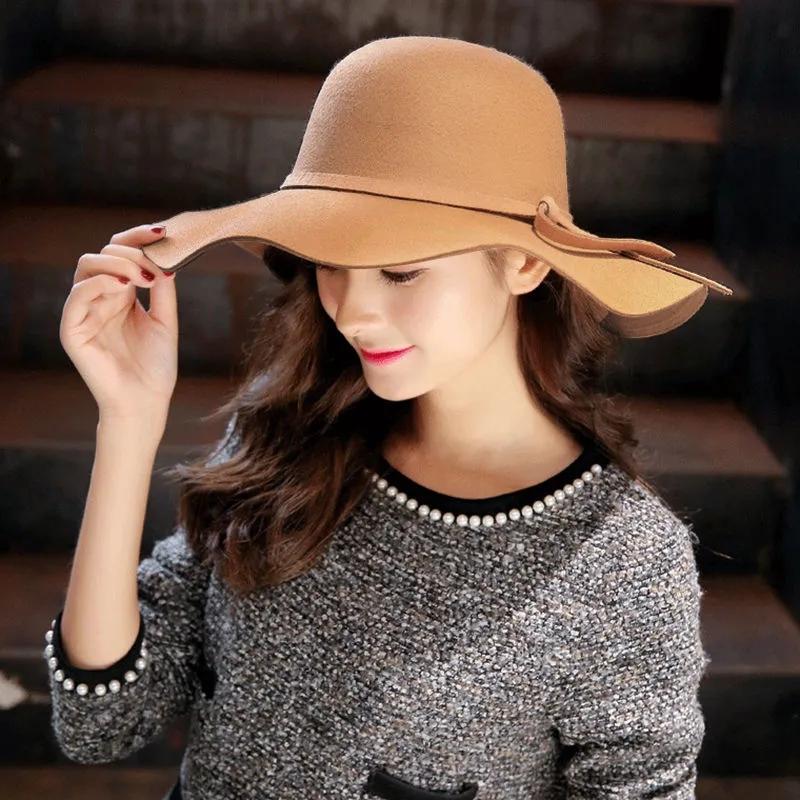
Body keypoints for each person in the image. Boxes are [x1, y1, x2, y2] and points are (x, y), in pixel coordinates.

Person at [45, 36, 725, 799]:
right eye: (331, 264)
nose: (353, 311)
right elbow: (101, 722)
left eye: (401, 270)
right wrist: (128, 423)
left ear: (525, 263)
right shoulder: (290, 431)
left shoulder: (623, 560)